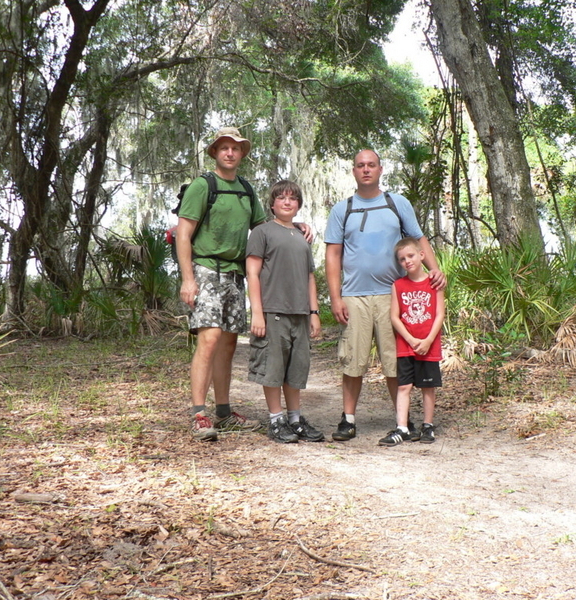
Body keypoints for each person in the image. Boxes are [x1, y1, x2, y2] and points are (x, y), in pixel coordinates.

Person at [176, 127, 311, 441]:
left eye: (235, 149)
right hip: (207, 269)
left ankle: (223, 412)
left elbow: (266, 228)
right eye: (224, 148)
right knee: (208, 339)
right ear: (215, 153)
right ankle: (199, 413)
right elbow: (184, 234)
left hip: (235, 275)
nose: (230, 153)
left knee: (227, 344)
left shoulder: (247, 190)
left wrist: (296, 225)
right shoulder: (202, 186)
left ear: (242, 154)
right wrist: (187, 278)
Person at [324, 149, 446, 442]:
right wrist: (336, 297)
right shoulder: (343, 209)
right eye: (360, 166)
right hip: (355, 295)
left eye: (371, 165)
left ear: (380, 169)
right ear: (353, 171)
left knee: (395, 362)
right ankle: (348, 420)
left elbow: (418, 240)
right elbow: (333, 253)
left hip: (393, 295)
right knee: (353, 361)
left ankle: (401, 422)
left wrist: (435, 270)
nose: (366, 170)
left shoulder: (397, 203)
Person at [245, 180, 325, 443]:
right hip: (273, 311)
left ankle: (294, 418)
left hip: (300, 313)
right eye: (281, 198)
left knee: (296, 369)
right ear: (272, 204)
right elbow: (253, 273)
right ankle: (276, 420)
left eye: (292, 198)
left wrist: (314, 312)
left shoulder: (302, 237)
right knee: (273, 368)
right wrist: (257, 312)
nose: (287, 202)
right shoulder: (262, 232)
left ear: (299, 204)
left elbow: (310, 276)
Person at [380, 237, 445, 446]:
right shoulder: (398, 285)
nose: (407, 261)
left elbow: (439, 315)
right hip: (406, 346)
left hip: (429, 345)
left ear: (421, 255)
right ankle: (402, 427)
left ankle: (427, 425)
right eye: (402, 259)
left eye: (411, 256)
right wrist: (409, 338)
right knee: (404, 387)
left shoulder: (435, 283)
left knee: (428, 387)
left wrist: (427, 341)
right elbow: (394, 317)